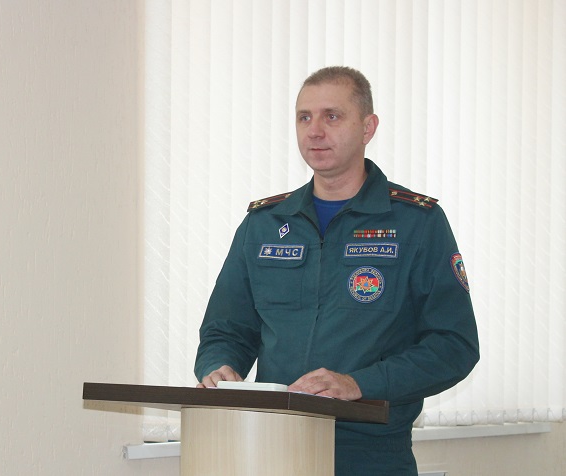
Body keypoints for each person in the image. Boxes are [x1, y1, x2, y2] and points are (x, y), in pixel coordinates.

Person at [194, 66, 480, 475]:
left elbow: (454, 346)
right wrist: (218, 367)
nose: (314, 131)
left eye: (332, 116)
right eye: (304, 117)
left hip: (371, 453)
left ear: (368, 128)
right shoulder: (265, 224)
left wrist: (360, 383)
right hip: (271, 446)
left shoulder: (417, 222)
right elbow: (226, 329)